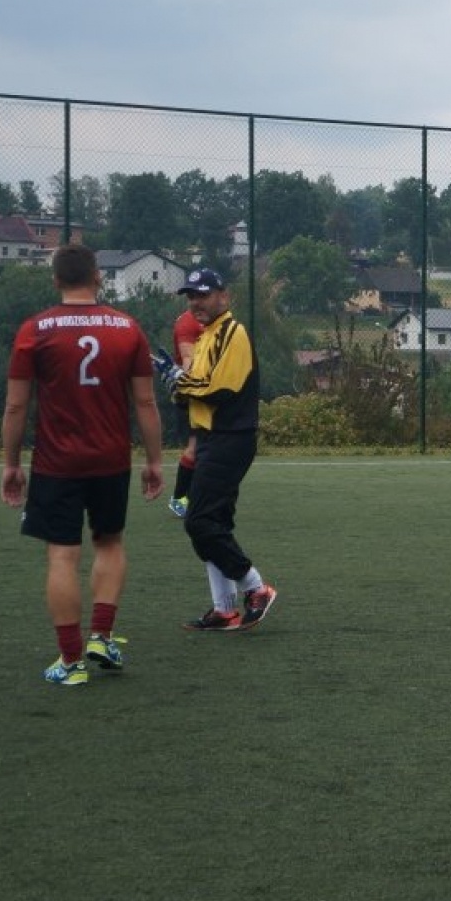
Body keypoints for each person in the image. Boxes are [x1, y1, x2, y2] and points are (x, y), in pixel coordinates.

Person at [1, 243, 164, 686]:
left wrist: (11, 464)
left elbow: (16, 407)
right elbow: (145, 402)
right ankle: (101, 637)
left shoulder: (35, 330)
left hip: (57, 463)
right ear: (98, 277)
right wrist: (153, 460)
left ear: (55, 279)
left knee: (62, 554)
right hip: (111, 459)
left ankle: (71, 662)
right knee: (109, 542)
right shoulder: (127, 328)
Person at [156, 267, 278, 630]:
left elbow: (219, 388)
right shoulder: (207, 335)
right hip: (213, 437)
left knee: (200, 521)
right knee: (214, 523)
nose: (196, 302)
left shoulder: (233, 333)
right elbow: (196, 390)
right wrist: (178, 383)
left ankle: (255, 588)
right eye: (191, 296)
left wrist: (179, 382)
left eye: (203, 294)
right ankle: (223, 609)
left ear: (224, 296)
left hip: (230, 437)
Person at [166, 305, 204, 517]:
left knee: (206, 446)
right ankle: (179, 499)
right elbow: (188, 359)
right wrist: (189, 387)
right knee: (195, 446)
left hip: (207, 390)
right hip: (193, 393)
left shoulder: (213, 320)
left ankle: (193, 497)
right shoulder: (188, 322)